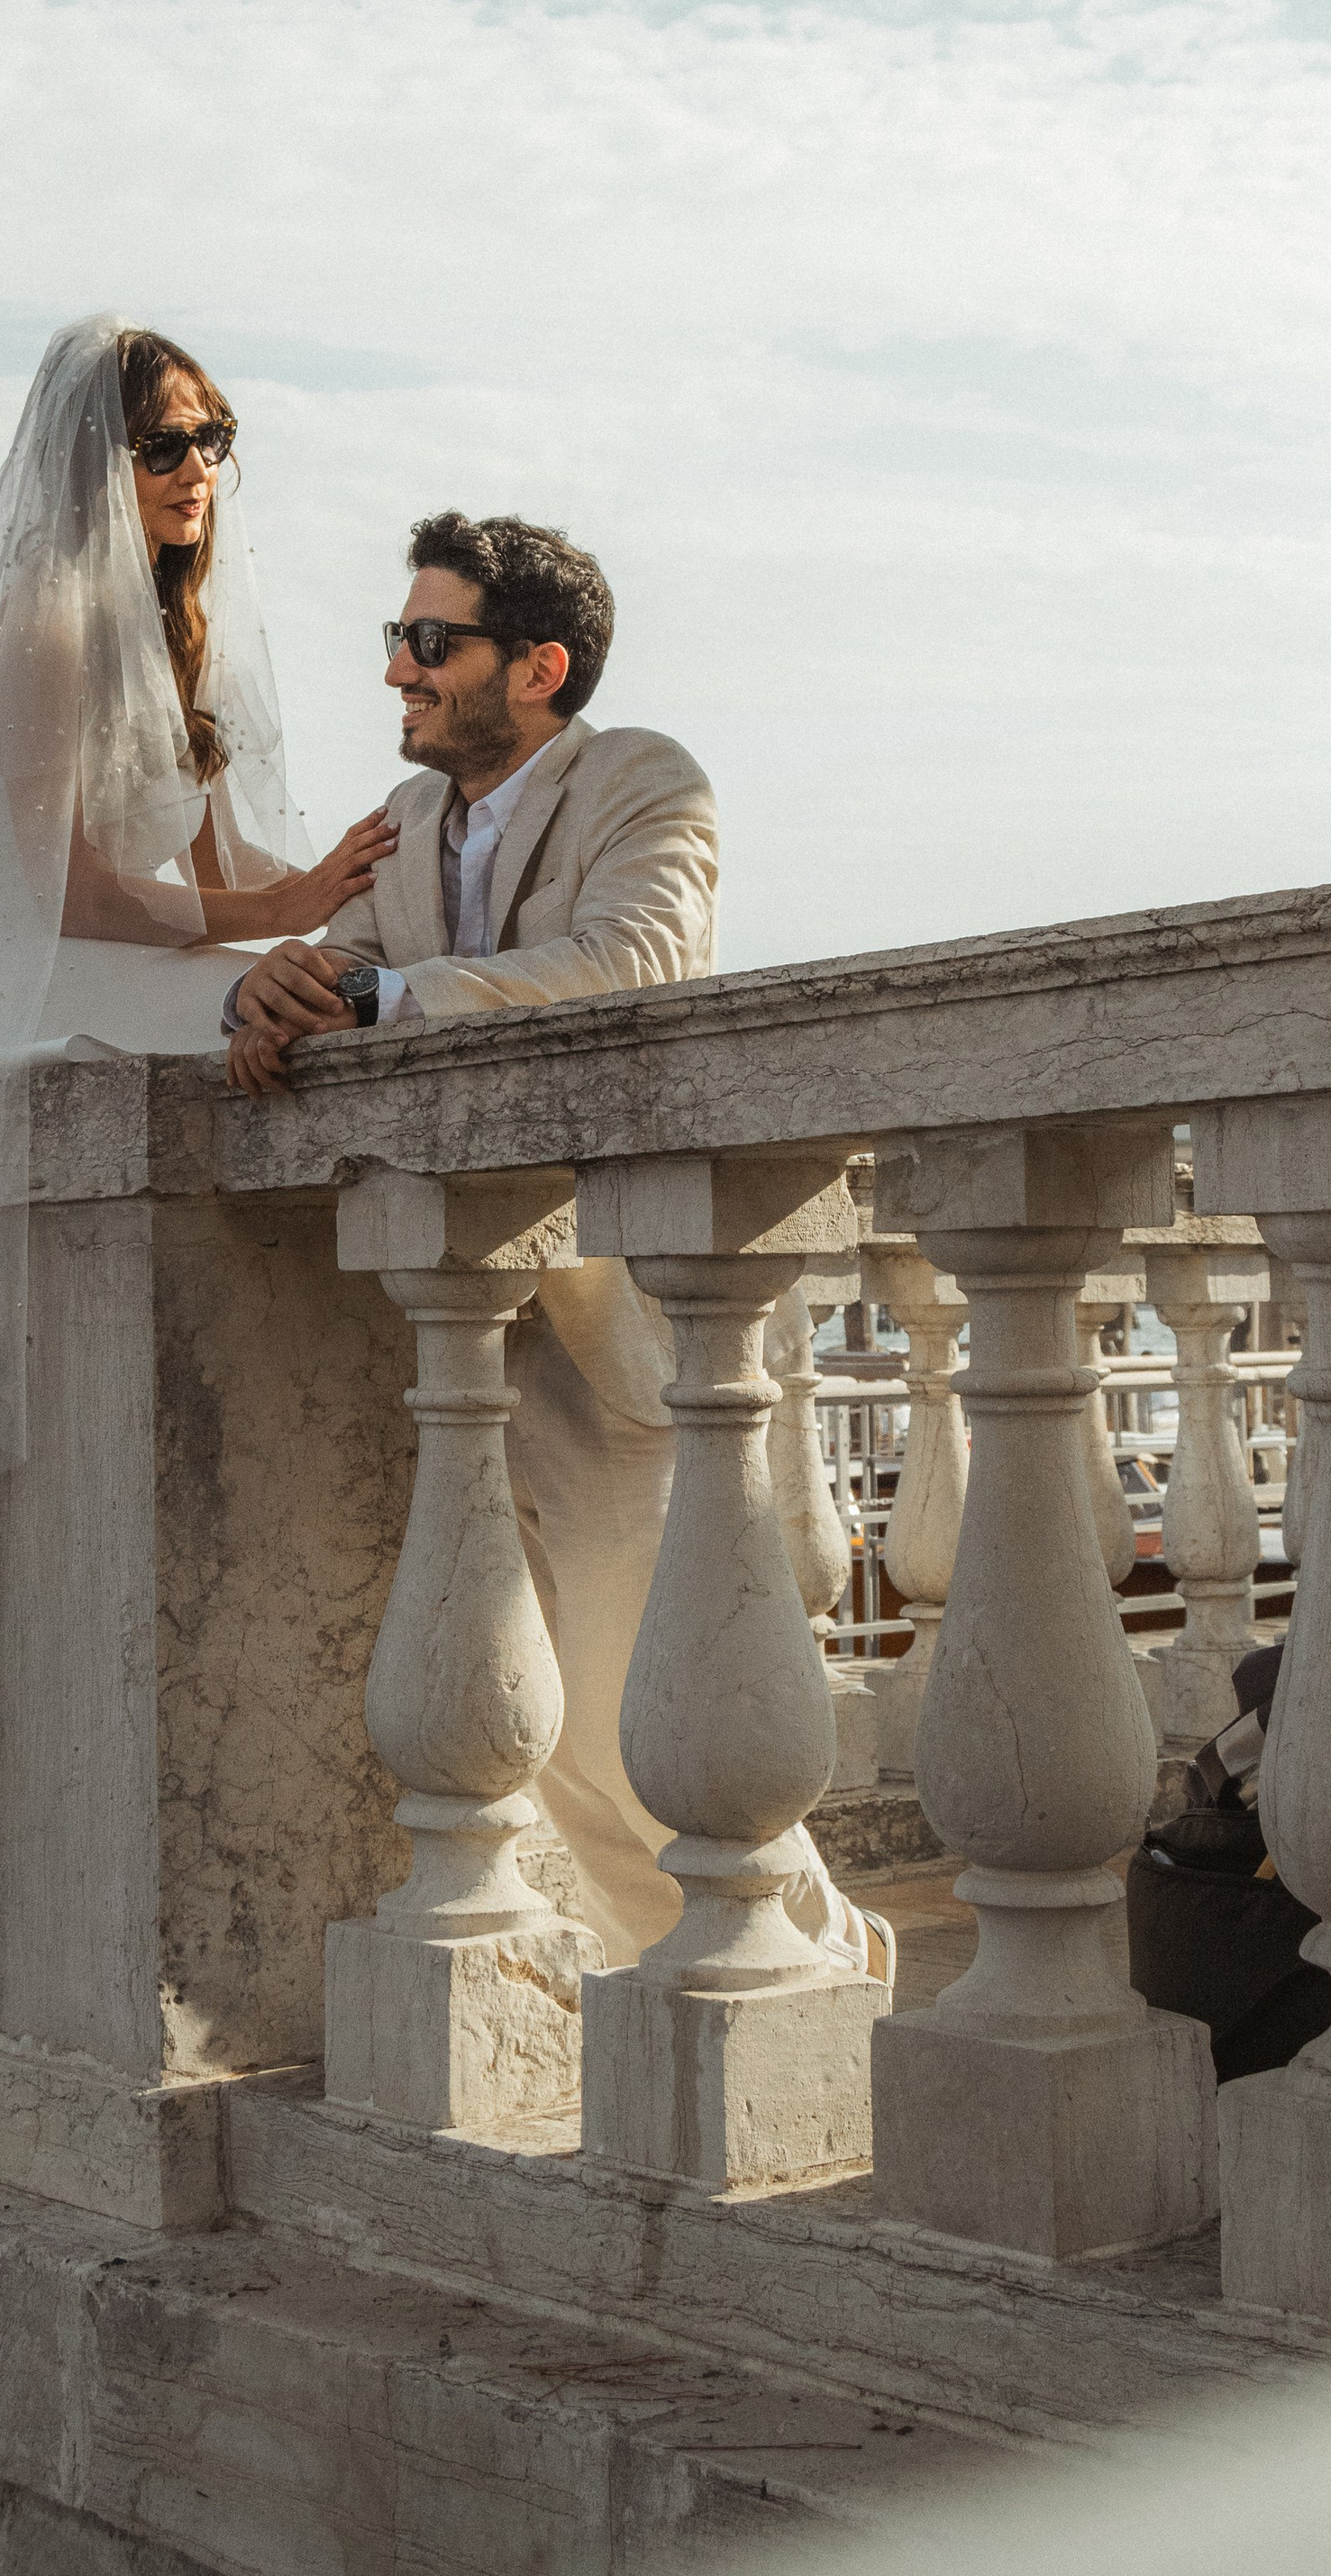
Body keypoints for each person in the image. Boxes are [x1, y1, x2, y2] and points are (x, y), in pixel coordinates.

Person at [226, 511, 881, 1982]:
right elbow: (353, 967)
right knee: (556, 1754)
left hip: (636, 1327)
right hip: (463, 1334)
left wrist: (378, 1001)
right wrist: (274, 990)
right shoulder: (407, 820)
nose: (397, 669)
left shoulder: (643, 778)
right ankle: (708, 2009)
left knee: (668, 1736)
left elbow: (635, 964)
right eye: (396, 637)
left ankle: (834, 1992)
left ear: (539, 668)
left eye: (429, 641)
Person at [0, 315, 395, 1489]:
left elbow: (225, 878)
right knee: (298, 1012)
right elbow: (68, 892)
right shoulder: (47, 622)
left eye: (214, 439)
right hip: (52, 977)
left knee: (333, 999)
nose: (197, 470)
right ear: (92, 468)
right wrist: (288, 906)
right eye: (162, 446)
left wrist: (327, 900)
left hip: (155, 962)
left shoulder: (178, 626)